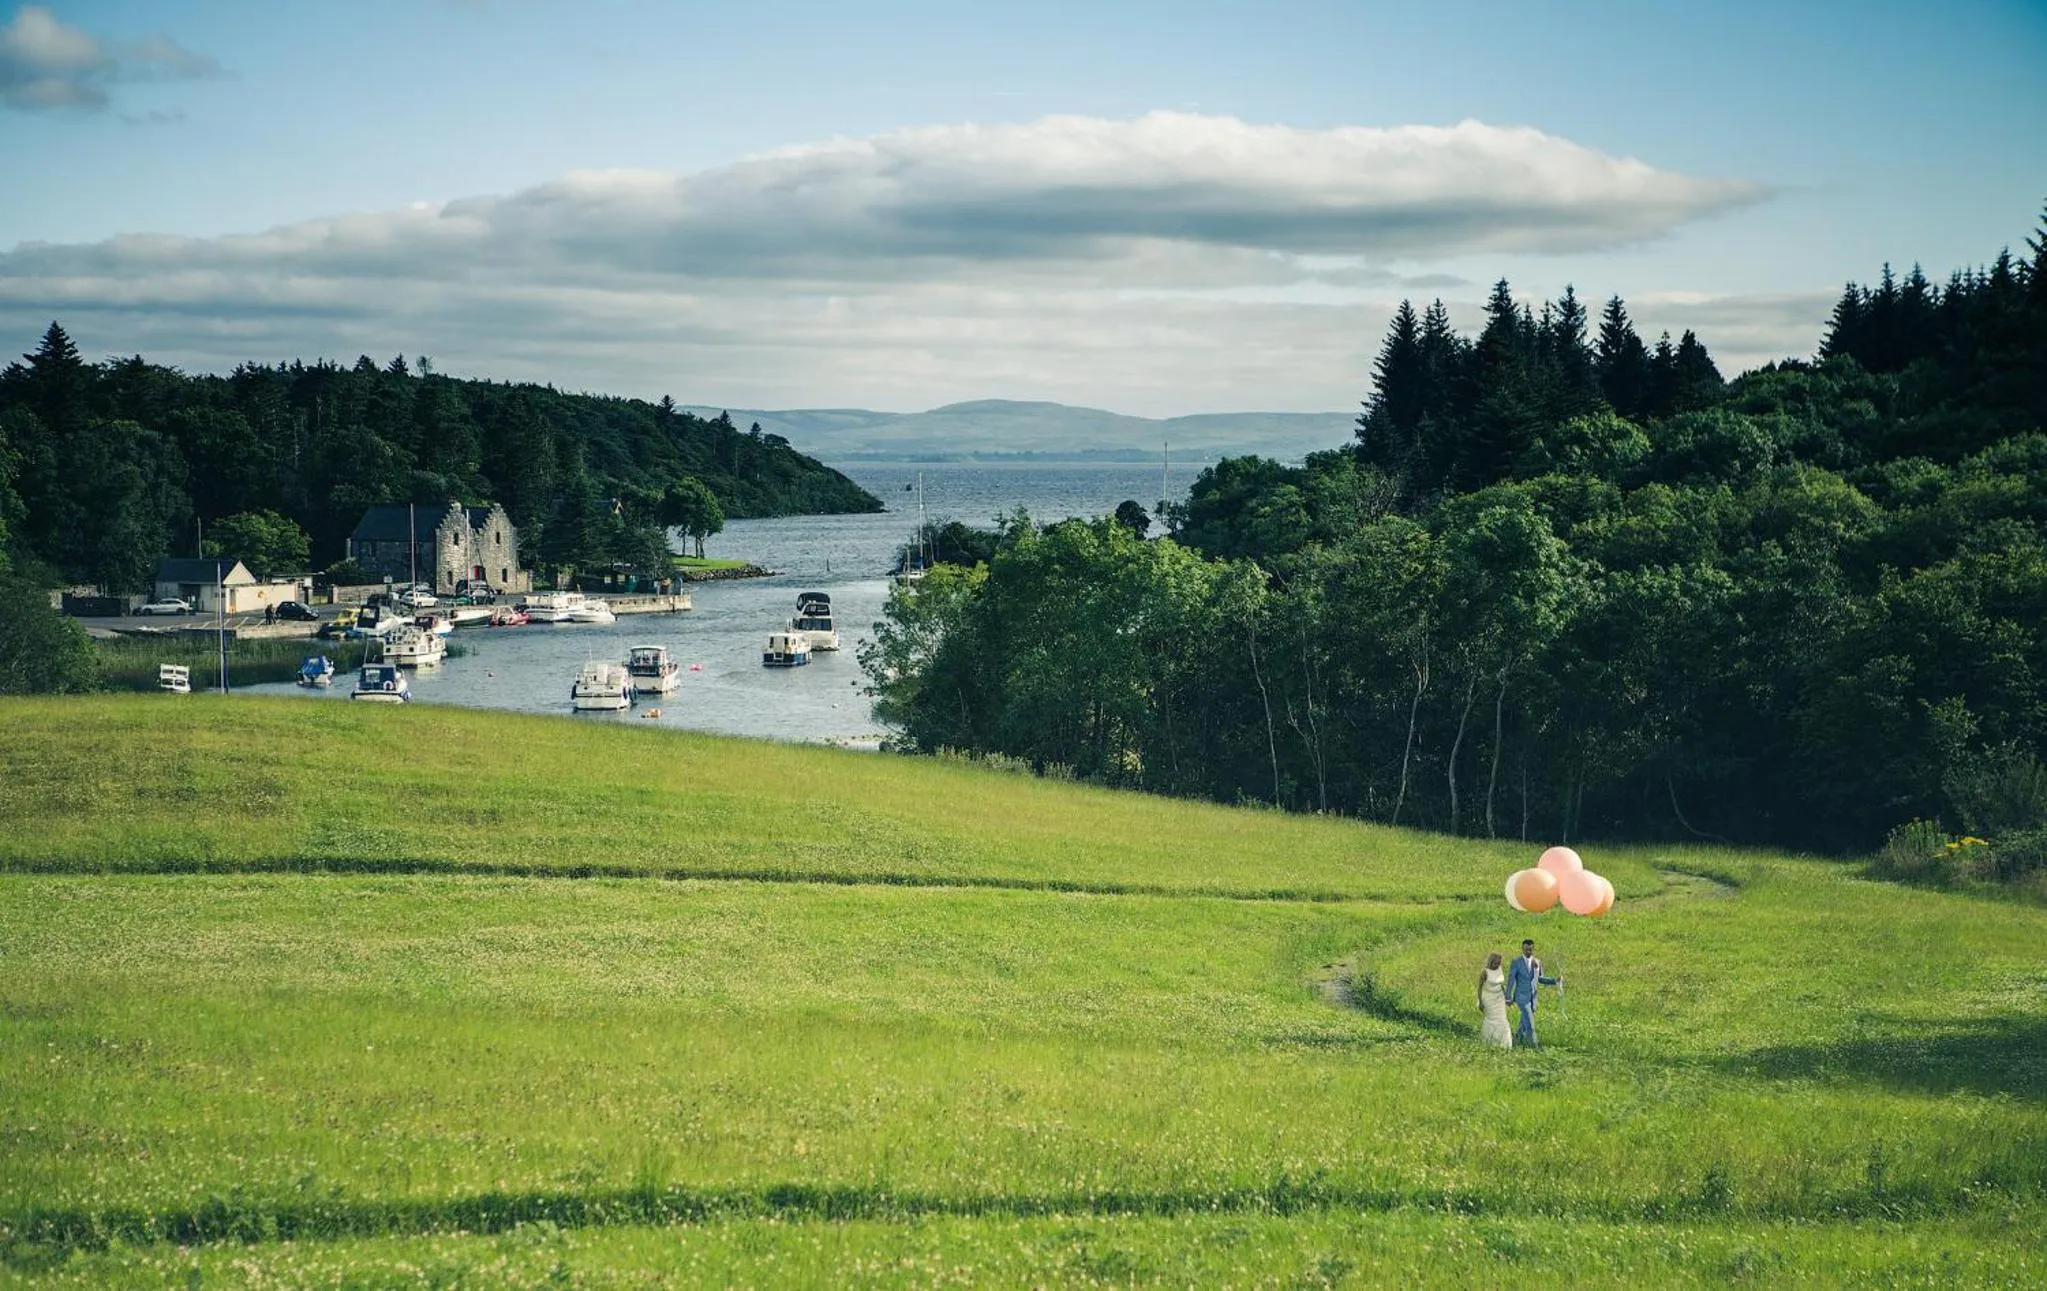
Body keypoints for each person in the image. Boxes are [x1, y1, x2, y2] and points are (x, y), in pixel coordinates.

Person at [1506, 938, 1560, 1049]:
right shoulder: (1516, 962)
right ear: (1522, 949)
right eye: (1526, 949)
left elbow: (1540, 978)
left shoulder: (1537, 962)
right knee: (1530, 1022)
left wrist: (1555, 980)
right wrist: (1508, 997)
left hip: (1533, 998)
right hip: (1521, 997)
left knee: (1524, 1021)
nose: (1528, 952)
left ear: (1533, 949)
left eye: (1530, 950)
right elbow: (1511, 980)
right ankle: (1535, 1046)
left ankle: (1517, 1039)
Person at [1477, 952, 1512, 1048]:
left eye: (1499, 963)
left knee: (1502, 1019)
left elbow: (1501, 985)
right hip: (1489, 998)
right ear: (1491, 962)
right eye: (1496, 963)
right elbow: (1479, 988)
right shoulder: (1485, 972)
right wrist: (1480, 1002)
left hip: (1499, 998)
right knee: (1492, 1020)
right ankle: (1490, 1041)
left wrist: (1506, 997)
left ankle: (1504, 1043)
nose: (1497, 965)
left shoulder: (1499, 969)